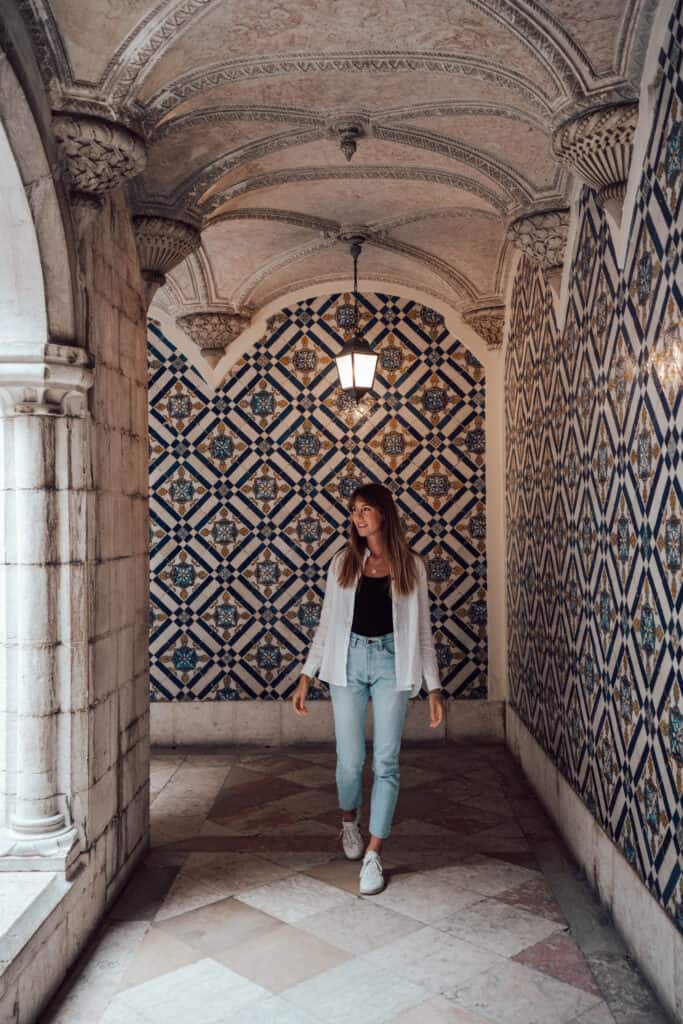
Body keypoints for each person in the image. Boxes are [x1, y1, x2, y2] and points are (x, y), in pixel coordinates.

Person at [292, 482, 444, 895]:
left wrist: (434, 688)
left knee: (386, 762)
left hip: (393, 664)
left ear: (384, 514)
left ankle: (375, 853)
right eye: (354, 510)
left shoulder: (412, 565)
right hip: (348, 664)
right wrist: (308, 673)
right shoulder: (343, 562)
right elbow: (326, 624)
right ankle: (348, 824)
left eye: (365, 509)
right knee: (349, 760)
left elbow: (424, 633)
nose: (358, 517)